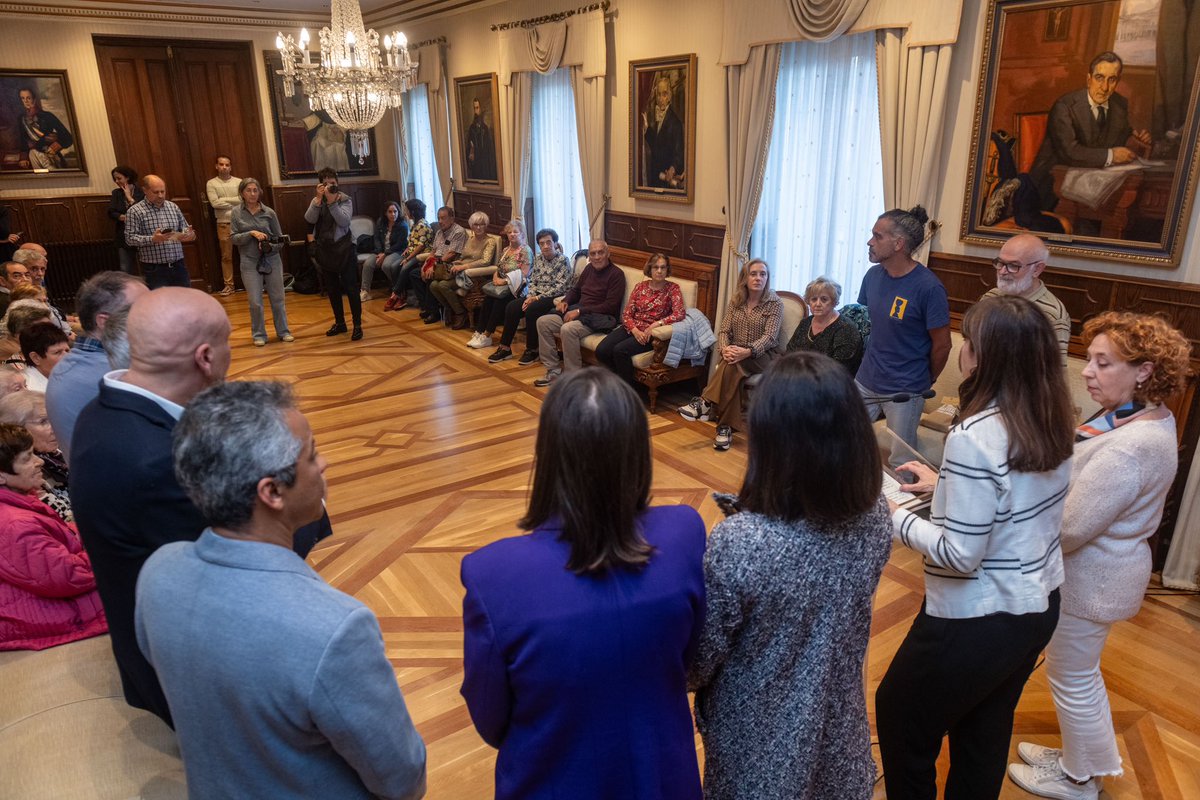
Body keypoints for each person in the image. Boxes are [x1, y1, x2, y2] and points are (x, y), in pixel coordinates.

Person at [137, 381, 427, 800]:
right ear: (271, 491)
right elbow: (402, 779)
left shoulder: (159, 571)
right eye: (311, 455)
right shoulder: (334, 628)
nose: (323, 464)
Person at [70, 287, 330, 728]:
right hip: (194, 679)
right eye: (230, 342)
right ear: (206, 357)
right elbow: (249, 559)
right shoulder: (156, 460)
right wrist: (309, 499)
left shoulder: (101, 409)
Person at [460, 368, 706, 800]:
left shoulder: (492, 574)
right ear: (637, 451)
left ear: (549, 454)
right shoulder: (685, 532)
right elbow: (687, 655)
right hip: (663, 777)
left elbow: (491, 720)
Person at [876, 295, 1076, 800]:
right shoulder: (1051, 418)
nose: (963, 350)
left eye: (969, 341)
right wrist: (944, 483)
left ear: (984, 356)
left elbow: (961, 554)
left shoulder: (975, 434)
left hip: (976, 617)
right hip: (1038, 603)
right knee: (982, 731)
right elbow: (1013, 499)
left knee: (901, 720)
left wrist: (891, 514)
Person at [689, 351, 890, 799]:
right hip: (840, 737)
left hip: (755, 753)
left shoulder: (743, 543)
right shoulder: (876, 514)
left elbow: (696, 665)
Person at [1008, 312, 1191, 800]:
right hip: (1097, 575)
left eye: (1102, 362)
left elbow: (1070, 528)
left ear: (1145, 370)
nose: (1087, 370)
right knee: (1073, 673)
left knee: (1072, 677)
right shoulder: (1140, 415)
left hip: (1094, 580)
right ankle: (1078, 761)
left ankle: (1079, 780)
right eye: (1089, 358)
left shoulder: (1131, 446)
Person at [0, 423, 105, 651]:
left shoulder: (16, 504)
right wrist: (107, 548)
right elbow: (67, 575)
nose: (39, 462)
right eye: (27, 458)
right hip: (51, 610)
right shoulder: (14, 525)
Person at [856, 205, 951, 451]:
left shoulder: (929, 288)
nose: (870, 241)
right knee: (848, 445)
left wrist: (926, 380)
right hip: (866, 380)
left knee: (902, 460)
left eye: (878, 236)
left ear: (898, 244)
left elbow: (943, 345)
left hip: (906, 390)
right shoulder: (872, 277)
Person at [678, 259, 782, 451]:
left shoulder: (774, 303)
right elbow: (724, 331)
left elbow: (769, 337)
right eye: (754, 274)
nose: (758, 278)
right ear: (745, 277)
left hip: (763, 356)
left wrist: (747, 351)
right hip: (735, 354)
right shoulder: (736, 301)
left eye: (763, 274)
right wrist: (725, 349)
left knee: (733, 364)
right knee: (733, 366)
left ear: (767, 278)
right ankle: (724, 429)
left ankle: (705, 403)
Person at [1029, 52, 1153, 212]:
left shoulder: (1119, 104)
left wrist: (1137, 139)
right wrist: (1111, 156)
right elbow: (1070, 152)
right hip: (1052, 192)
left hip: (1095, 186)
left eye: (1112, 79)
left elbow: (1122, 136)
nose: (1105, 87)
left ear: (1118, 81)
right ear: (1089, 79)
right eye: (1099, 78)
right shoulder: (1064, 106)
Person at [45, 271, 147, 463]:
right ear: (105, 321)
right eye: (143, 309)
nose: (155, 317)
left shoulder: (74, 363)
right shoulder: (112, 375)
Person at [533, 240, 625, 385]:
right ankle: (553, 371)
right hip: (580, 312)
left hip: (600, 318)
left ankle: (574, 378)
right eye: (593, 254)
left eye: (600, 253)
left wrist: (579, 311)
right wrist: (566, 301)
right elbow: (576, 290)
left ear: (608, 253)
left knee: (568, 329)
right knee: (543, 322)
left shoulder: (616, 275)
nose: (596, 257)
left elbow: (610, 306)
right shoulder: (589, 269)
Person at [594, 253, 685, 386]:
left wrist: (656, 324)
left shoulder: (673, 289)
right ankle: (617, 381)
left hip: (651, 334)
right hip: (632, 328)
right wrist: (635, 330)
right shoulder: (640, 287)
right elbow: (626, 313)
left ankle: (627, 392)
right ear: (650, 269)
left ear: (667, 270)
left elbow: (679, 313)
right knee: (601, 350)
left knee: (620, 350)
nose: (659, 271)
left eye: (663, 267)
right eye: (655, 267)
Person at [981, 233, 1070, 364]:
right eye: (1000, 263)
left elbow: (1054, 373)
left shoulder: (1053, 315)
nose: (1002, 271)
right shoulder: (990, 297)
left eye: (1013, 266)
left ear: (1037, 269)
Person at [486, 227, 571, 365]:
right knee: (512, 307)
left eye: (549, 242)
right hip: (535, 295)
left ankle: (532, 350)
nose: (545, 246)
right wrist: (530, 296)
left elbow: (560, 287)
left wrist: (537, 298)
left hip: (555, 297)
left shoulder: (563, 260)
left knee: (532, 309)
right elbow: (533, 280)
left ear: (555, 243)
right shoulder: (538, 257)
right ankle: (505, 348)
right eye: (542, 243)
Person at [230, 177, 292, 346]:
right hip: (249, 261)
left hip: (271, 259)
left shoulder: (269, 213)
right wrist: (251, 233)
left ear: (259, 192)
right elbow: (234, 238)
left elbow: (280, 240)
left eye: (255, 190)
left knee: (278, 298)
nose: (252, 194)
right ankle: (259, 334)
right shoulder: (236, 212)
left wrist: (269, 246)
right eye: (248, 190)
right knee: (255, 301)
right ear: (242, 193)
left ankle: (283, 331)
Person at [303, 167, 362, 340]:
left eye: (333, 183)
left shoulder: (345, 199)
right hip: (326, 250)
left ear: (338, 183)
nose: (330, 187)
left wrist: (332, 202)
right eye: (326, 184)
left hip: (345, 249)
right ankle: (340, 323)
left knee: (351, 288)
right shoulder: (317, 200)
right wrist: (319, 200)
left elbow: (344, 221)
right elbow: (309, 220)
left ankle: (357, 325)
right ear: (320, 185)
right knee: (333, 289)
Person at [0, 390, 71, 522]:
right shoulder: (26, 472)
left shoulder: (55, 454)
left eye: (53, 418)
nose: (54, 426)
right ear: (18, 429)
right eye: (43, 421)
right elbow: (63, 520)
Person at [468, 220, 532, 349]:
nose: (512, 234)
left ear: (522, 234)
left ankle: (487, 335)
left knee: (498, 302)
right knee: (488, 300)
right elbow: (498, 268)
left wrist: (504, 281)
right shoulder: (506, 250)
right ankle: (479, 332)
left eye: (515, 232)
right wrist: (496, 277)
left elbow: (524, 273)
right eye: (509, 232)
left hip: (518, 289)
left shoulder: (525, 251)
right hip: (502, 287)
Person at [124, 174, 197, 288]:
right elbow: (129, 239)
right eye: (156, 192)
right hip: (154, 269)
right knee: (160, 303)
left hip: (178, 265)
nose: (160, 195)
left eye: (163, 191)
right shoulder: (135, 211)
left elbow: (184, 228)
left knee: (184, 300)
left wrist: (189, 234)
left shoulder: (173, 207)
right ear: (145, 190)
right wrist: (152, 239)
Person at [786, 276, 864, 375]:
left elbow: (838, 370)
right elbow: (790, 352)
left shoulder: (846, 329)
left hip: (830, 383)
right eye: (814, 299)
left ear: (834, 302)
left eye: (824, 299)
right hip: (799, 376)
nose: (818, 304)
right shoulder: (805, 323)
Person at [433, 211, 494, 329]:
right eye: (475, 224)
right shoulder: (470, 239)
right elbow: (463, 256)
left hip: (474, 276)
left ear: (486, 225)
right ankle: (452, 309)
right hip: (460, 272)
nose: (478, 227)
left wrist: (464, 266)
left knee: (443, 285)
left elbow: (485, 261)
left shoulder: (490, 241)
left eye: (482, 224)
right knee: (434, 285)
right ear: (471, 226)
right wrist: (459, 262)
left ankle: (460, 313)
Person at [416, 206, 467, 324]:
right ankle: (427, 307)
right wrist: (426, 265)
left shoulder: (458, 232)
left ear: (452, 218)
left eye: (443, 218)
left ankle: (434, 312)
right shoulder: (439, 232)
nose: (440, 221)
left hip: (447, 264)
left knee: (430, 278)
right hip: (437, 262)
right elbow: (433, 252)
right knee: (415, 274)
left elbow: (451, 254)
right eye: (439, 218)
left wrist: (433, 266)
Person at [384, 199, 435, 311]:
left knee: (404, 267)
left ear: (413, 211)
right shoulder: (415, 224)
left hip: (421, 255)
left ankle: (395, 294)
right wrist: (407, 249)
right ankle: (401, 296)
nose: (405, 212)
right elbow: (413, 241)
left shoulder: (422, 225)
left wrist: (408, 258)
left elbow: (421, 246)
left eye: (407, 210)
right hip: (411, 253)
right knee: (393, 267)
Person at [204, 155, 240, 296]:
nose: (224, 167)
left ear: (230, 167)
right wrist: (234, 202)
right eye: (221, 164)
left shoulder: (239, 182)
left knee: (247, 254)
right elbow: (214, 203)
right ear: (216, 166)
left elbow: (243, 200)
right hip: (223, 223)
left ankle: (252, 282)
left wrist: (223, 200)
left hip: (240, 222)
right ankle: (229, 285)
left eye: (227, 164)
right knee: (226, 256)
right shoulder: (211, 183)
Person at [17, 86, 75, 170]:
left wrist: (56, 145)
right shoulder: (21, 119)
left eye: (28, 98)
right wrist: (23, 158)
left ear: (34, 99)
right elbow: (23, 140)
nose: (25, 101)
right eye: (23, 98)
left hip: (50, 155)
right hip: (33, 156)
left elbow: (68, 137)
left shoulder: (47, 116)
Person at [642, 76, 685, 190]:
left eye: (664, 94)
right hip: (655, 178)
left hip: (666, 181)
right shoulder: (656, 118)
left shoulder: (675, 123)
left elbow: (679, 154)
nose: (661, 98)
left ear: (669, 96)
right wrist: (647, 128)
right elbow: (657, 145)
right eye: (659, 94)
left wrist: (672, 169)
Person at [361, 200, 409, 301]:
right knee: (368, 264)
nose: (393, 214)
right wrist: (379, 252)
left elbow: (400, 244)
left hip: (397, 251)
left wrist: (385, 254)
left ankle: (398, 288)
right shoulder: (380, 222)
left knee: (386, 265)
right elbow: (377, 238)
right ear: (385, 213)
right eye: (390, 212)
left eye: (395, 211)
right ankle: (365, 291)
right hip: (381, 251)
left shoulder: (403, 225)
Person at [107, 166, 144, 274]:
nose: (117, 181)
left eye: (119, 178)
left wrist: (129, 197)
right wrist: (121, 217)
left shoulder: (141, 192)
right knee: (125, 268)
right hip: (123, 235)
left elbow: (142, 212)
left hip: (141, 235)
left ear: (127, 177)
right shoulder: (116, 193)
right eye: (115, 179)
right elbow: (111, 212)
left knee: (145, 267)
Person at [19, 320, 69, 393]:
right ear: (35, 358)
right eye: (57, 352)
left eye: (67, 350)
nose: (67, 357)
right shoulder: (31, 394)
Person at [465, 97, 498, 183]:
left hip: (485, 165)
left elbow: (490, 150)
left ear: (480, 109)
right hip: (476, 166)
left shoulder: (485, 128)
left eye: (477, 108)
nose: (476, 111)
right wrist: (471, 150)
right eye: (474, 108)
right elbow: (469, 150)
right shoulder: (471, 129)